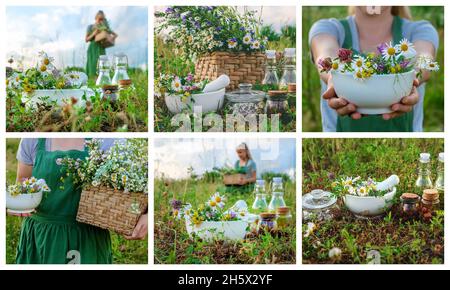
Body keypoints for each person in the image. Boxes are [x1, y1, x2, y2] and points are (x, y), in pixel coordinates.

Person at [11, 138, 147, 264]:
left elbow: (140, 187)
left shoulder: (109, 141)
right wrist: (18, 201)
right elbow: (23, 179)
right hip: (39, 236)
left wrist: (147, 215)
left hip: (85, 239)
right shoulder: (32, 139)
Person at [309, 6, 439, 132]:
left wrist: (411, 78)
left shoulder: (420, 30)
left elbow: (424, 58)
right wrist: (334, 77)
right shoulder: (328, 29)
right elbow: (325, 54)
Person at [85, 10, 117, 78]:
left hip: (101, 47)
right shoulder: (90, 27)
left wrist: (111, 38)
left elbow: (115, 35)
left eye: (102, 19)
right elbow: (86, 39)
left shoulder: (104, 27)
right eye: (99, 19)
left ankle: (101, 80)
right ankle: (92, 81)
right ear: (96, 18)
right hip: (93, 47)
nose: (101, 21)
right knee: (93, 64)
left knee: (102, 64)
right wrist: (94, 33)